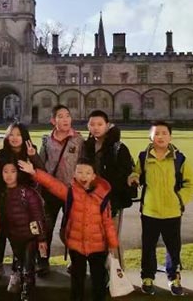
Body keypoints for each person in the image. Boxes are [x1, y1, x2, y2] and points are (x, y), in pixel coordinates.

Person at [19, 156, 118, 301]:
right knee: (77, 280)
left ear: (94, 176)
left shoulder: (102, 197)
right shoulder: (71, 192)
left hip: (97, 246)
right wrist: (34, 172)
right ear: (74, 174)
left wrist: (113, 244)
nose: (83, 176)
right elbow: (53, 184)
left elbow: (108, 222)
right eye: (79, 172)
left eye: (87, 173)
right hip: (76, 245)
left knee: (98, 280)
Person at [128, 120, 193, 296]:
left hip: (172, 212)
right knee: (148, 247)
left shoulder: (179, 159)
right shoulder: (143, 157)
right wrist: (133, 177)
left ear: (170, 136)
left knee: (173, 248)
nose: (160, 136)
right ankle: (147, 277)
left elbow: (189, 184)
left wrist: (179, 200)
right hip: (150, 210)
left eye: (164, 133)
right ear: (150, 137)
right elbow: (136, 172)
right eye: (156, 133)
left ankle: (174, 277)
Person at [83, 109, 135, 268]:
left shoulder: (118, 148)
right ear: (88, 126)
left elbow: (124, 174)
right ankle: (100, 272)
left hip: (112, 201)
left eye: (100, 124)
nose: (96, 128)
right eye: (92, 124)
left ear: (107, 125)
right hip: (91, 201)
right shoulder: (87, 146)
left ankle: (118, 274)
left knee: (112, 238)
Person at [36, 104, 84, 276]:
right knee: (46, 228)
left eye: (68, 116)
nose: (65, 119)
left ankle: (75, 261)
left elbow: (84, 164)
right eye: (61, 116)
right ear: (53, 120)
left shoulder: (79, 140)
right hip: (50, 191)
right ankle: (42, 261)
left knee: (71, 229)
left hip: (71, 191)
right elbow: (41, 164)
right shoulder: (46, 141)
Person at [0, 122, 43, 279]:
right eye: (11, 134)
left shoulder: (30, 151)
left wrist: (33, 157)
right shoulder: (2, 154)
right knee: (1, 232)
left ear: (24, 137)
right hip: (5, 198)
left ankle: (24, 267)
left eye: (18, 135)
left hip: (24, 201)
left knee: (24, 234)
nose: (14, 138)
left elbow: (42, 174)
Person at [0, 160, 46, 300]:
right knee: (19, 265)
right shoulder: (2, 193)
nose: (9, 175)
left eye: (13, 172)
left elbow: (38, 216)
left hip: (30, 237)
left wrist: (41, 238)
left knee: (28, 268)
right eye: (5, 172)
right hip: (14, 237)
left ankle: (27, 295)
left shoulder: (28, 193)